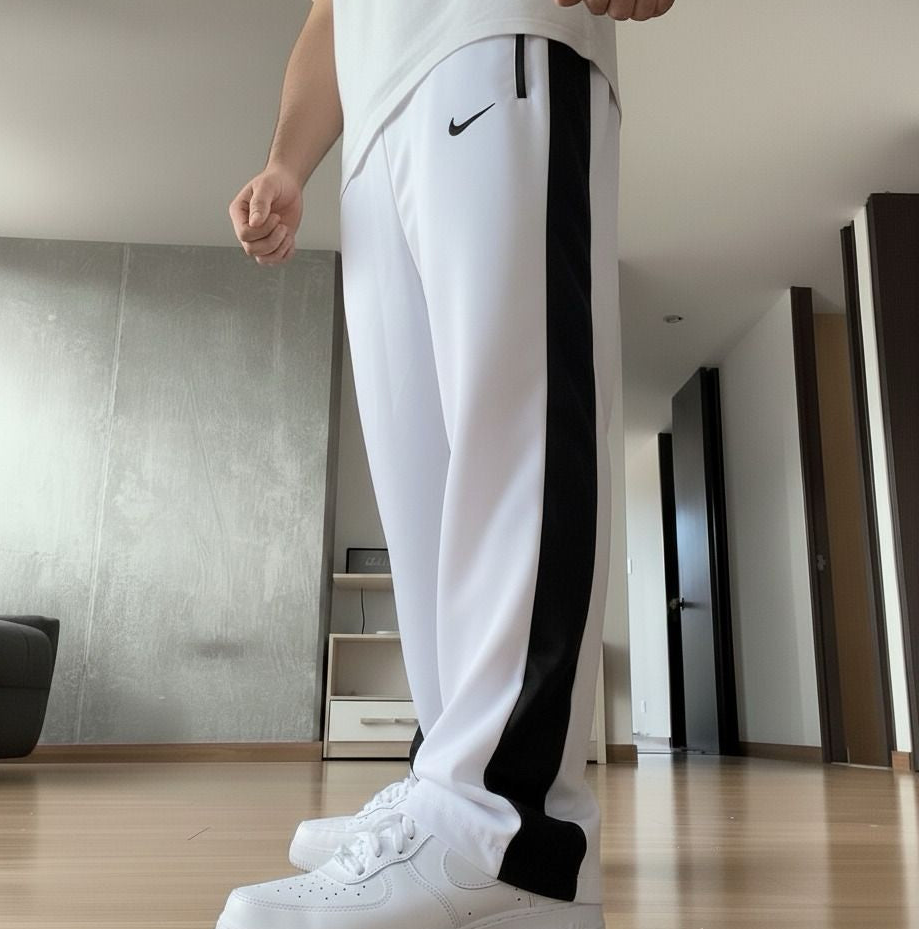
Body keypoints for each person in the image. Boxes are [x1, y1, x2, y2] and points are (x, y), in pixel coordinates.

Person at [223, 1, 675, 927]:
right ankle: (447, 789)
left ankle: (506, 834)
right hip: (374, 120)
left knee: (520, 426)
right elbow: (330, 12)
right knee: (424, 502)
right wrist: (287, 162)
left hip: (494, 36)